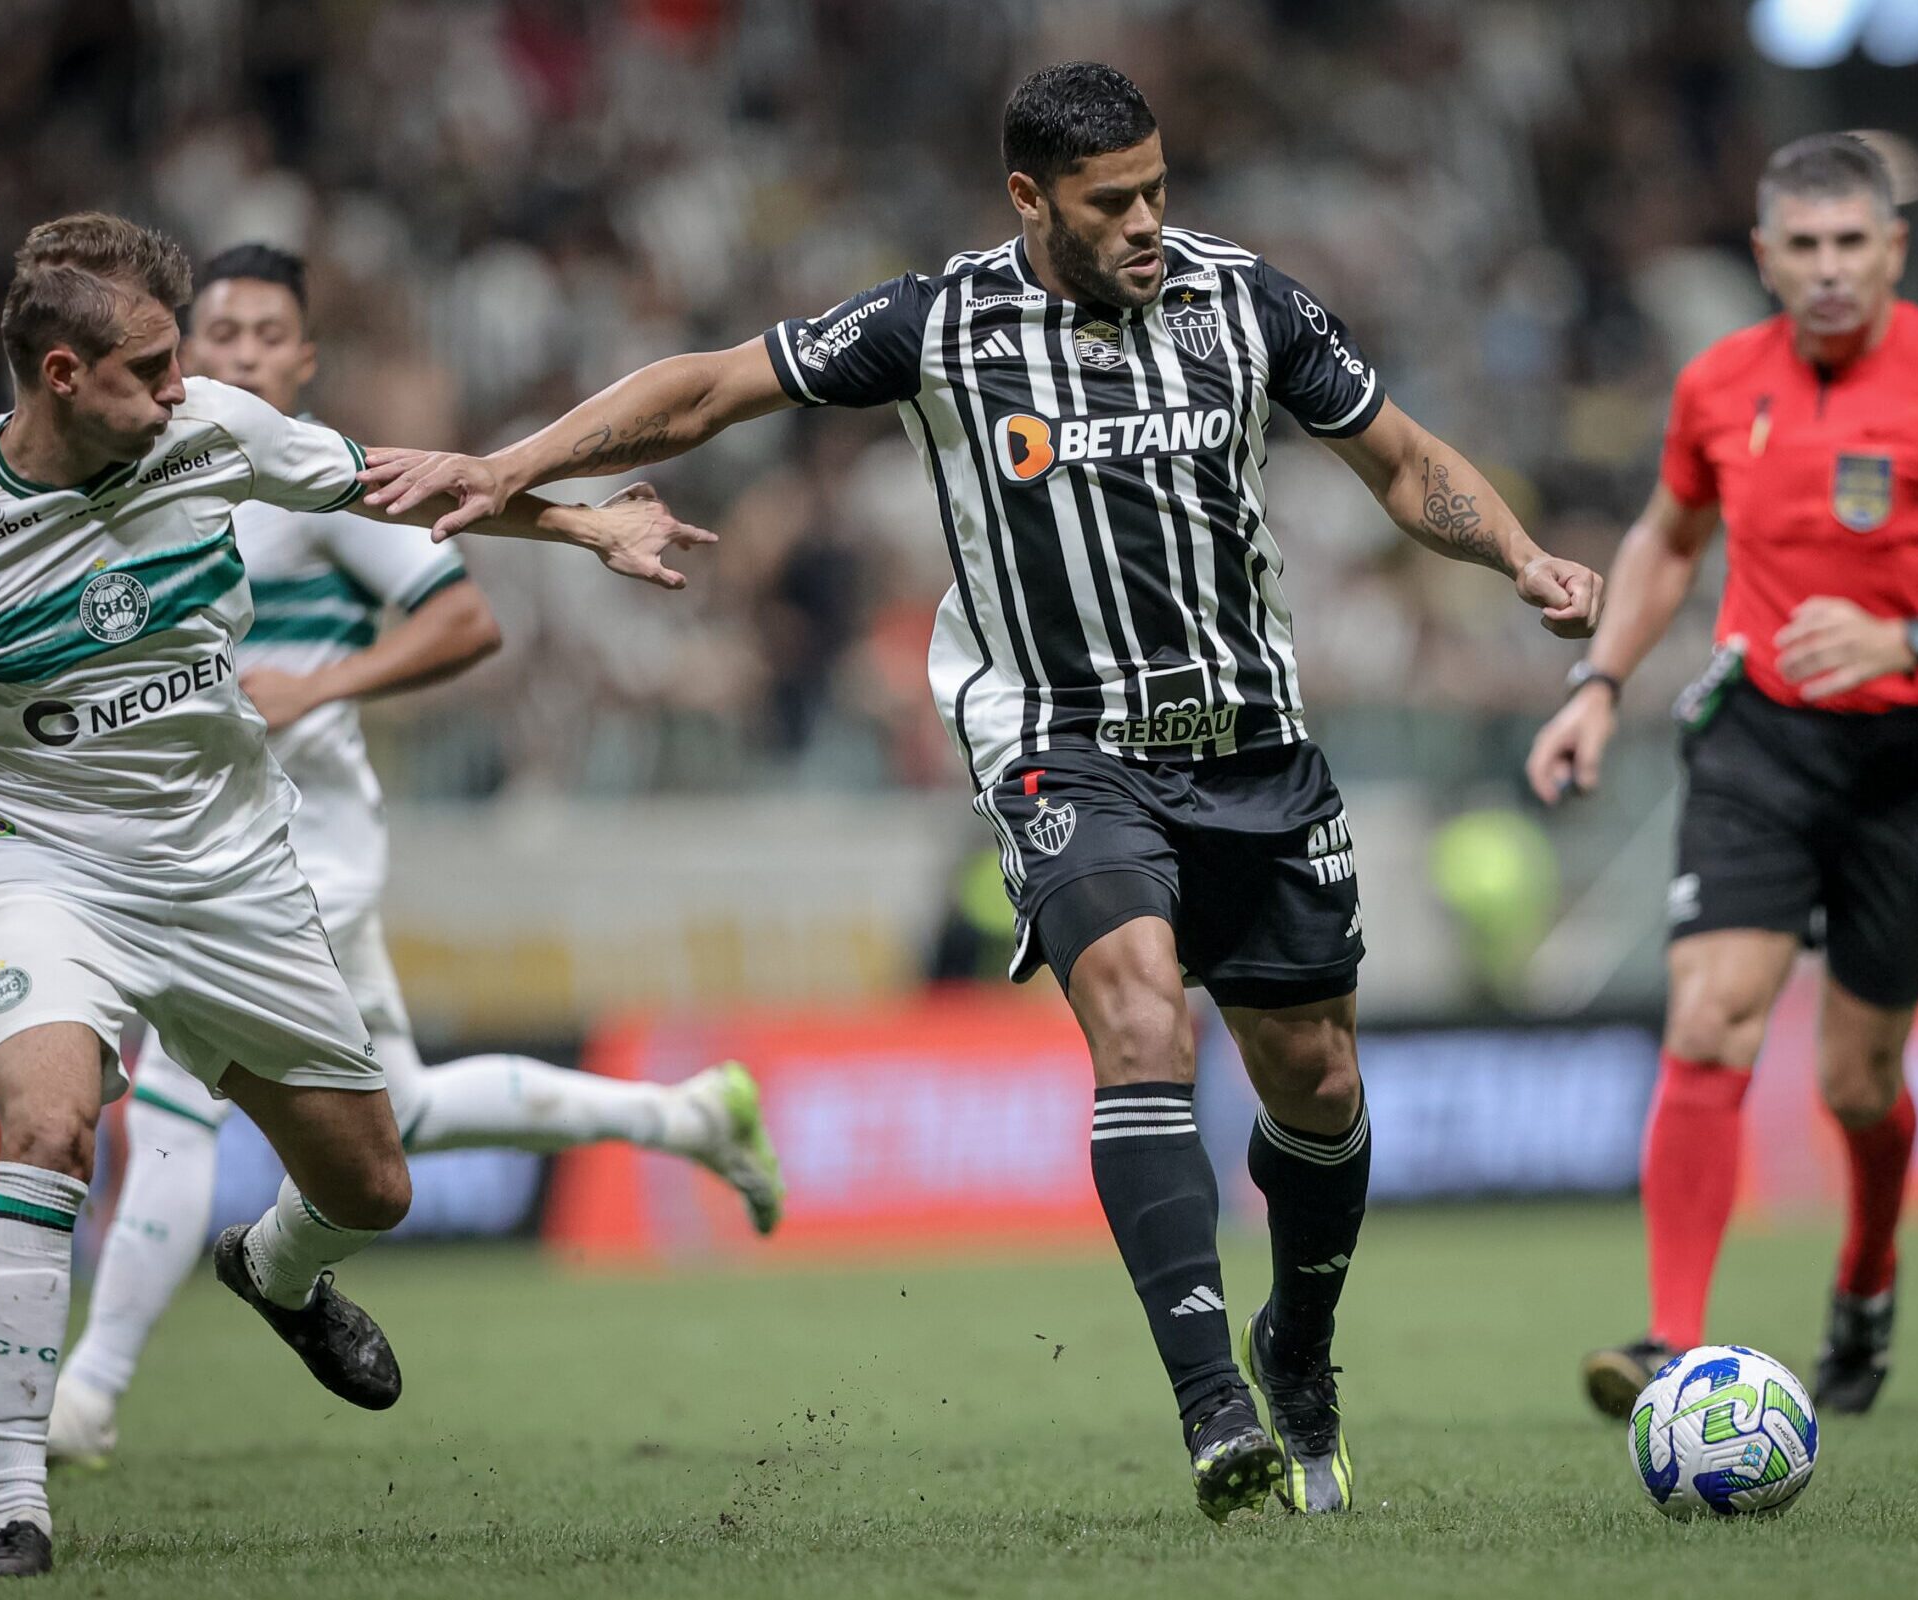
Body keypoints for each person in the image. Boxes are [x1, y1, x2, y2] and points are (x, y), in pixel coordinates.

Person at [358, 61, 1603, 1520]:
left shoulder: (1244, 301)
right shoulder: (938, 324)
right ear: (1029, 199)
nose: (1147, 221)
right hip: (1062, 742)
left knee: (1317, 1082)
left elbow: (1396, 458)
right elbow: (704, 389)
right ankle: (1215, 1412)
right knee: (1140, 1018)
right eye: (1110, 202)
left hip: (1257, 746)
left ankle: (1298, 1346)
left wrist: (1517, 555)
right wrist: (515, 466)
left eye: (1157, 189)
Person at [0, 213, 698, 1579]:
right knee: (52, 1125)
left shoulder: (216, 432)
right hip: (42, 871)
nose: (183, 387)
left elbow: (404, 487)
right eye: (151, 368)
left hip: (232, 870)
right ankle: (17, 1499)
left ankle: (275, 1269)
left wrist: (587, 523)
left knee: (372, 1189)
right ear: (62, 374)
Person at [1525, 134, 1918, 1420]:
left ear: (1891, 250)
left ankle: (1867, 1271)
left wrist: (1911, 636)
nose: (1830, 270)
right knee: (1712, 1014)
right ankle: (1671, 1341)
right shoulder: (1719, 384)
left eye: (1853, 244)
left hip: (1915, 757)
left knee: (1854, 1083)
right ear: (1766, 258)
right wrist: (1597, 685)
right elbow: (1669, 533)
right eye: (1805, 247)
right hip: (1759, 736)